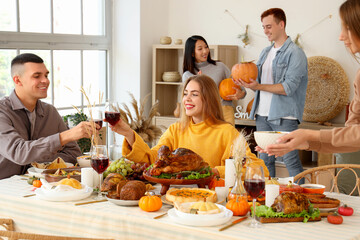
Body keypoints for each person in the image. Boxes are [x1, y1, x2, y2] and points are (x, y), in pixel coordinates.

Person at [108, 74, 269, 179]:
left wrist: (213, 172)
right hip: (175, 199)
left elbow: (257, 168)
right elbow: (151, 160)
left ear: (209, 99)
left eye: (194, 94)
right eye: (185, 94)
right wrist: (129, 134)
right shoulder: (176, 130)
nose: (187, 99)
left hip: (212, 202)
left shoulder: (226, 132)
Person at [262, 0, 360, 158]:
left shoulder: (295, 53)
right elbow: (353, 137)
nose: (341, 37)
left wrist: (310, 135)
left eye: (347, 28)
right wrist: (305, 143)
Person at [234, 8, 308, 180]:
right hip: (262, 115)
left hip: (284, 116)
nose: (265, 31)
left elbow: (288, 87)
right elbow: (259, 85)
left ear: (281, 24)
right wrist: (244, 89)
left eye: (269, 26)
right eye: (263, 27)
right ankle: (266, 199)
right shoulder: (265, 52)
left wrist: (258, 85)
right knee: (264, 162)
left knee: (291, 161)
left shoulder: (295, 53)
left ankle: (304, 198)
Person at [0, 53, 96, 179]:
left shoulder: (50, 111)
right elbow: (19, 152)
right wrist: (65, 136)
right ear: (17, 80)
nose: (45, 80)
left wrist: (41, 167)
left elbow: (73, 153)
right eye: (37, 76)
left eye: (46, 75)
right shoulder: (2, 111)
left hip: (41, 186)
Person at [182, 35, 246, 126]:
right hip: (203, 114)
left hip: (225, 111)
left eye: (206, 47)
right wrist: (200, 82)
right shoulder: (188, 75)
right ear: (192, 53)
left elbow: (242, 89)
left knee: (227, 139)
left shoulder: (220, 67)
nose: (205, 51)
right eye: (200, 49)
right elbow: (191, 100)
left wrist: (241, 94)